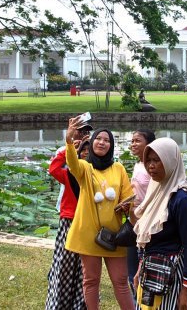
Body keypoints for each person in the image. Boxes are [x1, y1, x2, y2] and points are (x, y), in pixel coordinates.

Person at [64, 120, 135, 310]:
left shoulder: (118, 168)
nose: (102, 143)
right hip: (88, 236)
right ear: (92, 142)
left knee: (120, 281)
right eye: (98, 139)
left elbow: (128, 196)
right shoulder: (85, 168)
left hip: (115, 235)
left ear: (111, 145)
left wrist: (127, 206)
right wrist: (69, 141)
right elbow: (71, 163)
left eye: (106, 140)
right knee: (91, 280)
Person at [132, 137, 187, 310]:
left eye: (157, 160)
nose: (151, 166)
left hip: (173, 276)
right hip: (152, 272)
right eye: (148, 160)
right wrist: (140, 269)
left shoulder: (182, 199)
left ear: (171, 161)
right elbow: (148, 238)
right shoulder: (156, 190)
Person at [45, 137, 90, 310]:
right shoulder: (68, 173)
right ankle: (59, 304)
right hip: (69, 221)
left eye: (88, 150)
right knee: (64, 264)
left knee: (84, 268)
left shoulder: (95, 174)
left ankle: (81, 304)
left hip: (87, 224)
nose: (86, 153)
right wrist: (68, 149)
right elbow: (54, 168)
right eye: (83, 150)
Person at [127, 129, 155, 293]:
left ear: (149, 144)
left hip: (147, 223)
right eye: (132, 141)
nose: (133, 144)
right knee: (131, 270)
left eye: (137, 141)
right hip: (133, 221)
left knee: (142, 266)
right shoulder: (138, 165)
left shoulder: (153, 167)